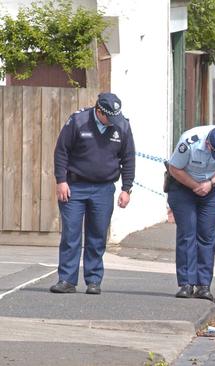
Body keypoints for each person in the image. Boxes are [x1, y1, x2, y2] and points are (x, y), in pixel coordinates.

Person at [50, 92, 135, 295]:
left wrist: (126, 188)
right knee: (71, 234)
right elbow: (61, 151)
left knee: (97, 234)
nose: (112, 122)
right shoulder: (78, 121)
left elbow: (128, 157)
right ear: (98, 111)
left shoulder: (122, 125)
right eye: (109, 118)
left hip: (104, 188)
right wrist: (61, 181)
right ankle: (67, 280)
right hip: (75, 186)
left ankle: (94, 280)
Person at [167, 125, 215, 301]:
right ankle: (186, 283)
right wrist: (195, 186)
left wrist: (211, 183)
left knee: (206, 234)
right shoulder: (189, 142)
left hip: (210, 189)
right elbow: (174, 169)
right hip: (183, 186)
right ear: (208, 144)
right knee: (187, 233)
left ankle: (204, 285)